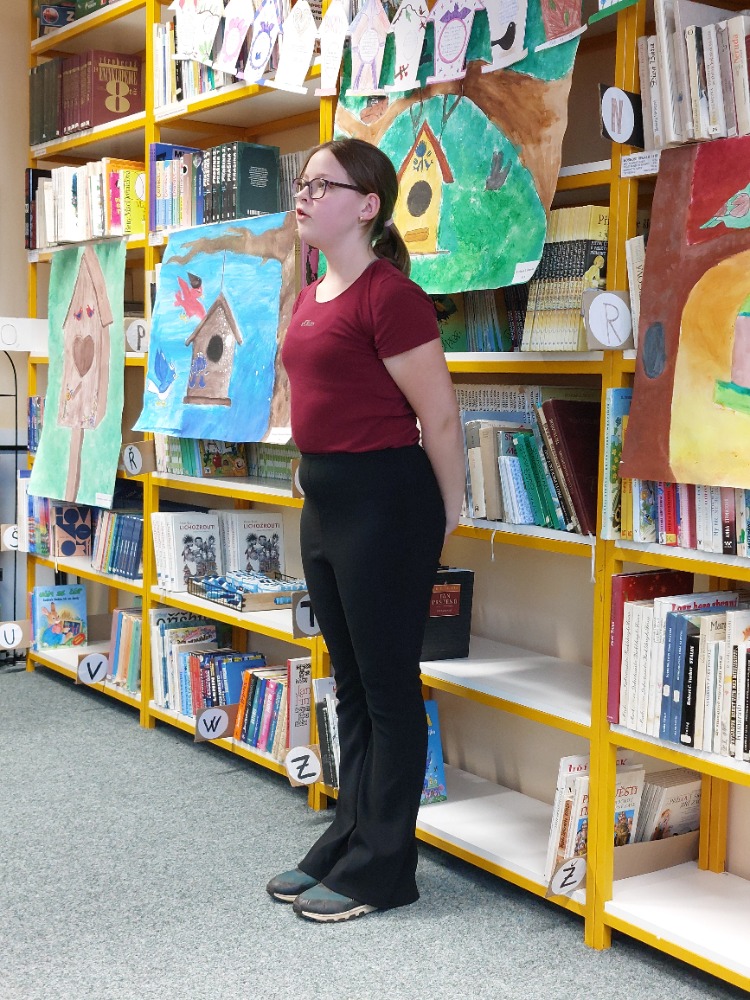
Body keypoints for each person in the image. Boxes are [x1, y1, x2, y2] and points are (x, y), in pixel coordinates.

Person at [265, 137, 466, 923]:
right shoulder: (315, 289)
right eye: (303, 182)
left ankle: (385, 869)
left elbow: (439, 416)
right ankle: (350, 836)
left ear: (368, 206)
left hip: (387, 502)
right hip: (327, 499)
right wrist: (308, 468)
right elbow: (321, 396)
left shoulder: (391, 296)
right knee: (348, 682)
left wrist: (450, 510)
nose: (305, 194)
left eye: (323, 185)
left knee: (386, 689)